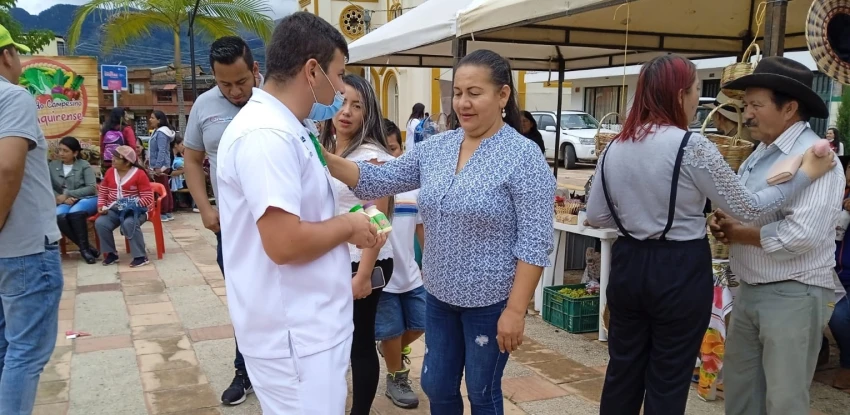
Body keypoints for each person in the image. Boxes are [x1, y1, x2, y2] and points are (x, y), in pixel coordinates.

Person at [584, 55, 835, 415]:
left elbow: (596, 215)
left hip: (628, 262)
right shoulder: (692, 146)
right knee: (668, 375)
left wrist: (638, 217)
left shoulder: (615, 146)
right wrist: (804, 175)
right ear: (680, 94)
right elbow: (747, 208)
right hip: (679, 269)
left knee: (623, 369)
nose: (695, 101)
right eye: (696, 91)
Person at [325, 49, 555, 415]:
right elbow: (381, 178)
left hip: (490, 301)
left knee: (482, 392)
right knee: (436, 385)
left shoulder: (523, 157)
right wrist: (325, 160)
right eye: (458, 93)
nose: (463, 103)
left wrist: (516, 310)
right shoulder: (437, 148)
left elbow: (535, 242)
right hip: (440, 295)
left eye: (474, 93)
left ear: (503, 95)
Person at [215, 12, 383, 414]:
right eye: (339, 74)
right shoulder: (266, 136)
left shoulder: (291, 127)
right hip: (294, 335)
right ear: (312, 71)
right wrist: (349, 225)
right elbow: (284, 242)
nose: (341, 88)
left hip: (310, 328)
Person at [709, 56, 845, 415]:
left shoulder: (818, 159)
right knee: (740, 391)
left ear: (790, 109)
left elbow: (800, 235)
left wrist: (739, 234)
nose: (748, 114)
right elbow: (745, 204)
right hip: (752, 289)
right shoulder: (761, 152)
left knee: (784, 400)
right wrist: (724, 220)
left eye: (756, 104)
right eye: (746, 105)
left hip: (793, 292)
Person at [183, 35, 261, 406]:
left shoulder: (275, 101)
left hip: (279, 223)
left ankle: (281, 365)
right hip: (231, 229)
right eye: (224, 83)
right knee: (243, 301)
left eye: (241, 81)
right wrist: (205, 207)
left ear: (255, 69)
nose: (234, 91)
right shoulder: (204, 106)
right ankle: (244, 371)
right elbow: (192, 160)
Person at [319, 74, 395, 414]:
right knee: (336, 339)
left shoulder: (372, 156)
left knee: (359, 341)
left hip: (364, 260)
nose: (346, 112)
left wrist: (364, 274)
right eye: (341, 102)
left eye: (357, 105)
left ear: (369, 113)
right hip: (333, 256)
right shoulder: (328, 148)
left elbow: (379, 220)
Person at [0, 25, 64, 415]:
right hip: (25, 248)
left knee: (6, 347)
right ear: (7, 54)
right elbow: (8, 169)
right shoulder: (13, 97)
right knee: (25, 353)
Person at [376, 118, 426, 409]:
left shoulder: (411, 188)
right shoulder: (367, 188)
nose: (389, 157)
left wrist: (429, 261)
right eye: (383, 150)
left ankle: (391, 350)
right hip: (382, 276)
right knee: (391, 330)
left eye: (393, 149)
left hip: (410, 272)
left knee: (422, 322)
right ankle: (396, 378)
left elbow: (421, 227)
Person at [95, 145, 154, 268]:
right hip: (115, 209)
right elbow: (103, 191)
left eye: (116, 158)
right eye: (113, 157)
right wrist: (101, 205)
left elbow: (148, 198)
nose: (112, 160)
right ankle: (111, 253)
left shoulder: (139, 174)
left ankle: (140, 256)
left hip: (137, 210)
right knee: (101, 223)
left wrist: (129, 205)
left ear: (127, 162)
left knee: (129, 223)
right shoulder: (110, 172)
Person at [50, 136, 98, 264]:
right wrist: (60, 198)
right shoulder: (52, 166)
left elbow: (91, 188)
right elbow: (48, 185)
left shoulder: (84, 165)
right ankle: (86, 248)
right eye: (59, 150)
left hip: (85, 199)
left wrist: (68, 194)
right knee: (58, 215)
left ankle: (85, 251)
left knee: (75, 213)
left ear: (75, 153)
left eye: (65, 151)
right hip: (64, 201)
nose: (61, 154)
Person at [829, 164, 850, 390]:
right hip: (831, 273)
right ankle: (822, 348)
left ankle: (847, 363)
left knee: (839, 315)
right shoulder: (837, 193)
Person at [148, 110, 176, 222]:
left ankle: (163, 212)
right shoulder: (158, 131)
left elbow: (162, 151)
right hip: (160, 164)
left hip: (161, 165)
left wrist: (158, 166)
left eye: (152, 118)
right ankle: (167, 211)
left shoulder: (161, 133)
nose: (150, 120)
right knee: (165, 187)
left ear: (159, 120)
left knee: (161, 189)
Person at [100, 108, 128, 175]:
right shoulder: (125, 129)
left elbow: (101, 146)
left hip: (107, 162)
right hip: (122, 162)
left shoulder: (105, 130)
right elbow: (132, 145)